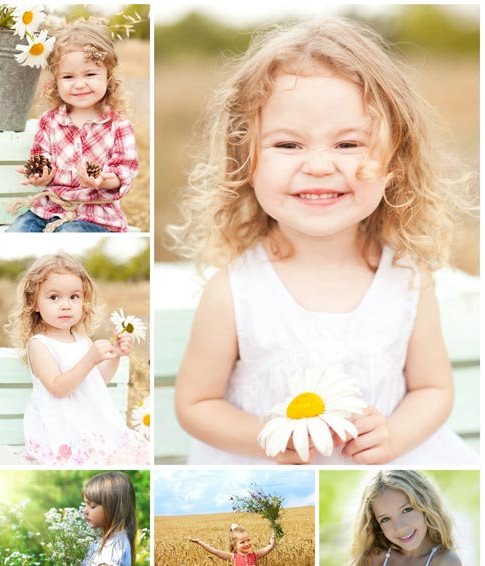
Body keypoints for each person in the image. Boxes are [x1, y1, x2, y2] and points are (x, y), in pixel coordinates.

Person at [171, 16, 477, 468]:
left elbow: (433, 389)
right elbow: (196, 405)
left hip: (380, 478)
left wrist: (395, 434)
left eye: (348, 144)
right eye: (289, 145)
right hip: (275, 483)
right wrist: (267, 437)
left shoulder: (408, 280)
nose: (318, 165)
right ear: (246, 163)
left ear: (395, 162)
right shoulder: (235, 292)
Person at [5, 254, 149, 467]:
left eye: (74, 297)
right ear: (34, 302)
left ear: (84, 301)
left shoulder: (82, 341)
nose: (66, 306)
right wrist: (89, 360)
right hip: (61, 428)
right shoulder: (40, 344)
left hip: (89, 422)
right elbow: (58, 388)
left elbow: (96, 381)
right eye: (54, 297)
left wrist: (115, 356)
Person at [7, 21, 138, 234]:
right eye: (68, 77)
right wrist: (41, 174)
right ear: (56, 81)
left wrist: (102, 180)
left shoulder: (119, 126)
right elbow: (41, 158)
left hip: (96, 217)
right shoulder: (49, 122)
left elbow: (124, 172)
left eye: (90, 74)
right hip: (48, 210)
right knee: (17, 232)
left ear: (108, 75)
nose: (79, 84)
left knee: (70, 233)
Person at [347, 470, 463, 566]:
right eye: (385, 519)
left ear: (426, 505)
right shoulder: (375, 559)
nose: (399, 528)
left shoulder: (445, 563)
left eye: (407, 510)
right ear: (375, 524)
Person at [77, 472, 137, 566]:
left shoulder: (112, 546)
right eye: (85, 504)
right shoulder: (114, 541)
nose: (85, 510)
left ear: (113, 508)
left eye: (92, 506)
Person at [189, 523, 275, 566]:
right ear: (235, 545)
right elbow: (215, 552)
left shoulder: (255, 555)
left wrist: (274, 535)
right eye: (242, 542)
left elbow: (269, 547)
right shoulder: (233, 557)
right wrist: (199, 542)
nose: (247, 544)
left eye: (248, 540)